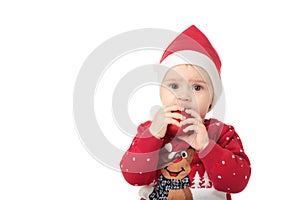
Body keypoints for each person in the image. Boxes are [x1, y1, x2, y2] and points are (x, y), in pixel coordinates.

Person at [120, 25, 251, 200]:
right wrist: (152, 137)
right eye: (174, 86)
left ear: (212, 100)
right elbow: (133, 177)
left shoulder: (222, 133)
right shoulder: (149, 131)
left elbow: (237, 182)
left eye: (197, 87)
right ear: (161, 93)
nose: (184, 96)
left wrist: (206, 146)